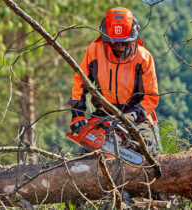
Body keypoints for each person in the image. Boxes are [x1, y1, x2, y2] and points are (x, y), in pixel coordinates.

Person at [68, 7, 161, 155]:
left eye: (124, 43)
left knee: (146, 150)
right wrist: (77, 114)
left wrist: (133, 115)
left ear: (134, 37)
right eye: (115, 43)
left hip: (136, 115)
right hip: (104, 112)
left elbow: (151, 96)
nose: (120, 47)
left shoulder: (143, 57)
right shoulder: (94, 50)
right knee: (88, 153)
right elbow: (80, 81)